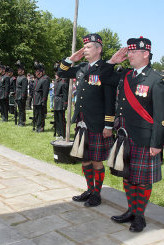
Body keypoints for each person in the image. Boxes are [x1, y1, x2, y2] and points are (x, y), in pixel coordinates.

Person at [108, 36, 164, 232]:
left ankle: (140, 216)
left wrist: (157, 143)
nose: (129, 55)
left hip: (144, 139)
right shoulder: (126, 76)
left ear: (145, 54)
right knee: (127, 177)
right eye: (129, 52)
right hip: (125, 136)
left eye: (133, 52)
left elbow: (162, 115)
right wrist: (112, 62)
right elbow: (102, 77)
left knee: (142, 181)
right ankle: (131, 210)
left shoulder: (156, 80)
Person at [57, 33, 115, 207]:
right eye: (84, 47)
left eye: (88, 47)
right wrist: (70, 59)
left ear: (99, 49)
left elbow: (110, 98)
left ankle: (97, 194)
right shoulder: (82, 67)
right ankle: (90, 189)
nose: (85, 50)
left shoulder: (105, 68)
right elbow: (61, 72)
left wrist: (108, 124)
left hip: (97, 123)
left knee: (97, 160)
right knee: (85, 158)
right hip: (82, 122)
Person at [53, 63, 68, 138]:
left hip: (61, 102)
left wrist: (65, 104)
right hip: (56, 102)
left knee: (61, 119)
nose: (55, 76)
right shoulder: (56, 82)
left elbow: (65, 94)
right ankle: (59, 133)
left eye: (57, 74)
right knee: (56, 119)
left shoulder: (63, 82)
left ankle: (63, 133)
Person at [33, 62, 49, 132]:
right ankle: (37, 126)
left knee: (40, 115)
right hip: (36, 99)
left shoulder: (45, 79)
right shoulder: (37, 79)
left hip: (40, 99)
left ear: (41, 72)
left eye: (38, 72)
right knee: (36, 114)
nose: (36, 73)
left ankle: (41, 127)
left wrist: (44, 101)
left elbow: (45, 92)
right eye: (36, 72)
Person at [15, 61, 28, 126]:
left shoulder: (24, 78)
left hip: (21, 96)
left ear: (23, 71)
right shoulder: (18, 77)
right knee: (19, 109)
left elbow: (24, 89)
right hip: (18, 95)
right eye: (18, 70)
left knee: (22, 110)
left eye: (19, 70)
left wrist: (23, 97)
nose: (18, 71)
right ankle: (20, 120)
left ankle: (22, 121)